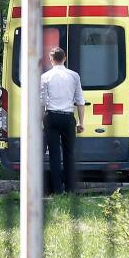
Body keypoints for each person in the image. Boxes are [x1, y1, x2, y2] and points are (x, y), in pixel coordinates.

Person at [39, 46, 85, 194]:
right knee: (69, 154)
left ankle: (58, 190)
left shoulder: (45, 77)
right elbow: (80, 101)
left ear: (51, 60)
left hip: (51, 117)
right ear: (65, 58)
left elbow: (42, 101)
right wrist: (80, 122)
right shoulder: (74, 76)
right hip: (68, 117)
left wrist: (40, 121)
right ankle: (71, 189)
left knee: (54, 154)